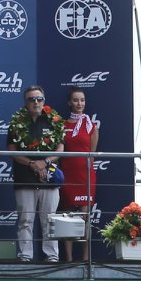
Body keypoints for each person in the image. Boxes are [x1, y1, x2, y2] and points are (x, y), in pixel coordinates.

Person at [9, 85, 65, 263]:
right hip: (25, 178)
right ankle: (25, 255)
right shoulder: (17, 122)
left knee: (50, 220)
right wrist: (32, 163)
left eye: (39, 99)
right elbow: (12, 150)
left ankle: (52, 255)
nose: (36, 102)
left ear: (44, 101)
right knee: (25, 220)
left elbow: (61, 149)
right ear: (25, 102)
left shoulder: (54, 120)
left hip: (49, 177)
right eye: (31, 99)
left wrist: (44, 162)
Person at [59, 86, 100, 246]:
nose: (79, 103)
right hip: (67, 173)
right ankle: (68, 257)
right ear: (69, 103)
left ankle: (85, 256)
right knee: (67, 217)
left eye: (82, 100)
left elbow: (92, 153)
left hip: (85, 175)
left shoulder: (91, 126)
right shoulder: (62, 125)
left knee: (85, 217)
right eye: (75, 100)